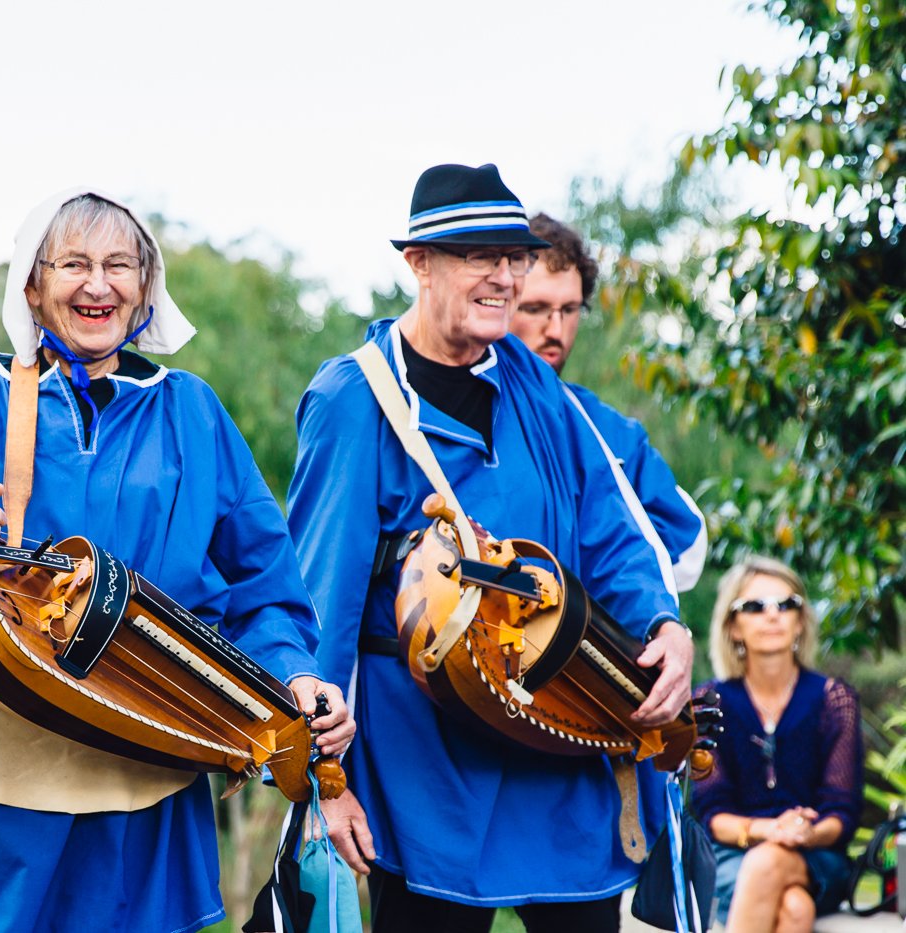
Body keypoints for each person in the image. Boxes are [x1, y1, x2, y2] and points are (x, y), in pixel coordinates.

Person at [0, 187, 354, 933]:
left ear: (146, 287)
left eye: (119, 265)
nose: (99, 284)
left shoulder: (191, 412)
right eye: (75, 264)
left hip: (152, 762)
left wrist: (299, 674)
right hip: (3, 770)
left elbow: (265, 584)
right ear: (32, 285)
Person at [287, 163, 694, 932]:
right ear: (419, 263)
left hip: (561, 731)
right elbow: (319, 609)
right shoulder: (354, 399)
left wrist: (661, 625)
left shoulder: (535, 385)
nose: (503, 277)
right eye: (478, 256)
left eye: (512, 257)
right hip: (425, 763)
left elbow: (610, 530)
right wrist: (326, 779)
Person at [508, 213, 706, 593]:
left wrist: (595, 565)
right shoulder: (463, 409)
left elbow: (688, 547)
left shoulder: (607, 430)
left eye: (569, 310)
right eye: (535, 308)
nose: (555, 329)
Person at [691, 556, 862, 931]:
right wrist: (768, 831)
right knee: (794, 910)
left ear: (800, 621)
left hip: (817, 856)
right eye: (754, 606)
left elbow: (842, 811)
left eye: (786, 605)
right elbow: (711, 811)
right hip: (735, 853)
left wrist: (804, 832)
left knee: (769, 862)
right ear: (733, 626)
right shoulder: (708, 704)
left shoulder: (834, 701)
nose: (772, 615)